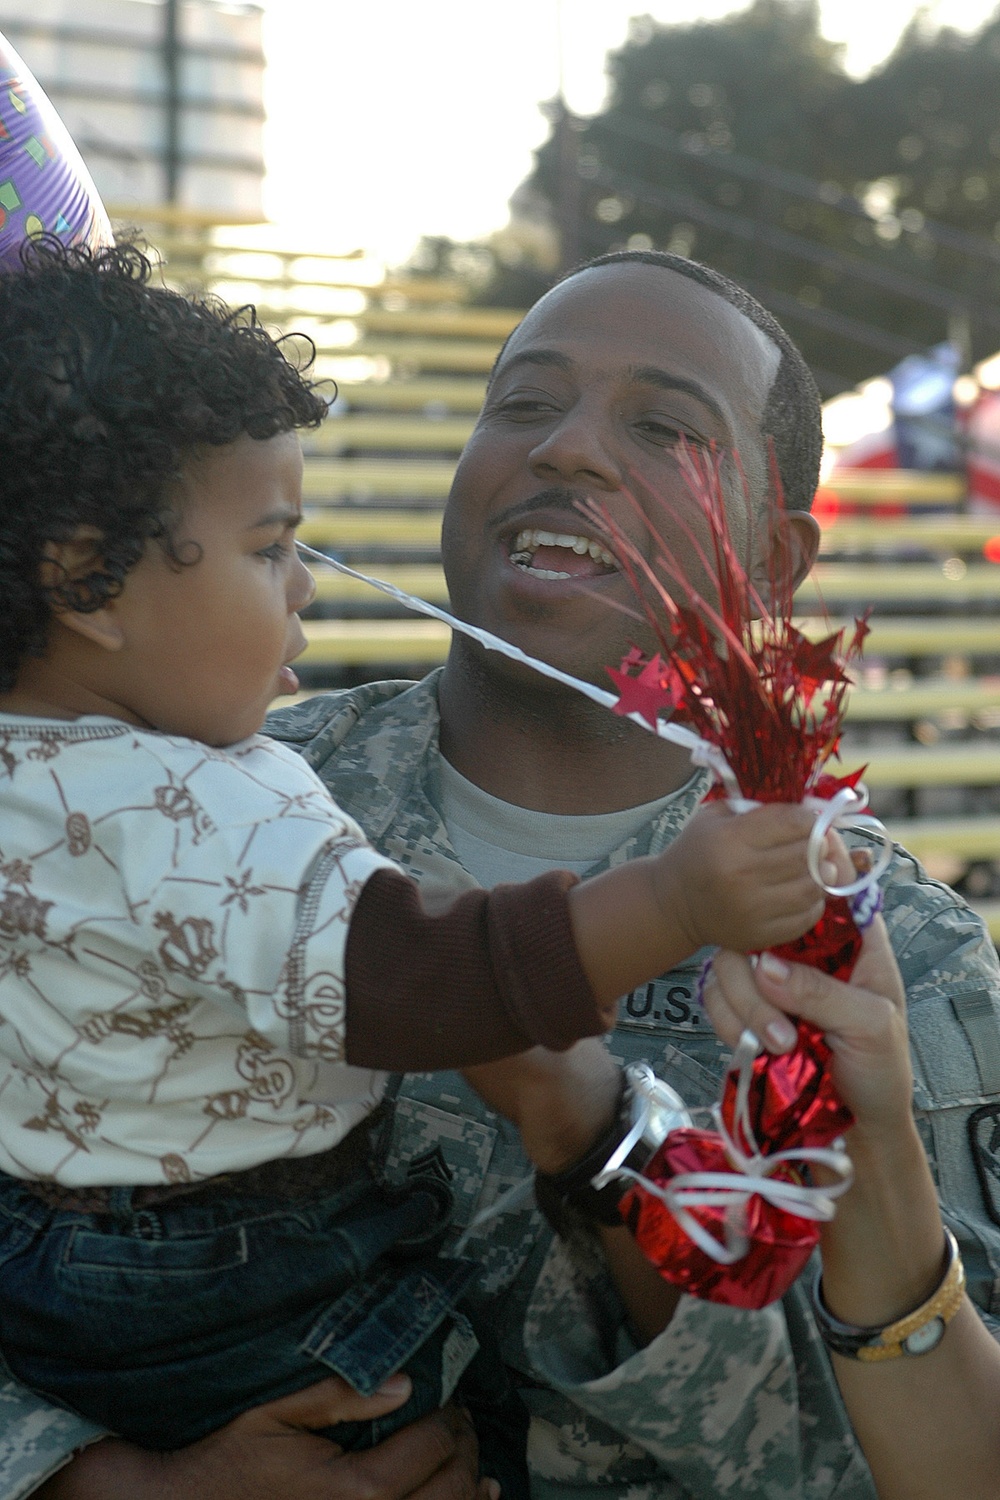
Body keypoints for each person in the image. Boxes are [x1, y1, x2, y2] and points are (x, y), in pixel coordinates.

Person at [8, 250, 1000, 1500]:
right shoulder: (163, 806)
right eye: (523, 402)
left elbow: (922, 1459)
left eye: (661, 425)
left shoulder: (881, 946)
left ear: (776, 555)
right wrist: (92, 1484)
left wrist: (605, 1136)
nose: (569, 448)